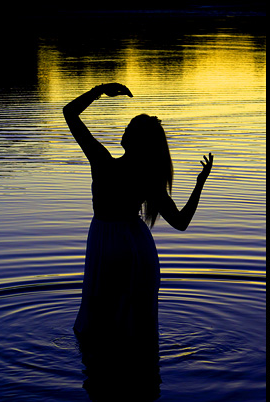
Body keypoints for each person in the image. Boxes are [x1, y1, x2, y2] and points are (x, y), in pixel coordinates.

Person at [63, 83, 213, 347]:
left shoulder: (102, 162)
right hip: (136, 247)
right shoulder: (148, 179)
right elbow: (181, 223)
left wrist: (101, 90)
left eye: (129, 128)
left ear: (134, 140)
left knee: (99, 325)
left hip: (106, 244)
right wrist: (200, 183)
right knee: (134, 328)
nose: (124, 130)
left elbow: (69, 113)